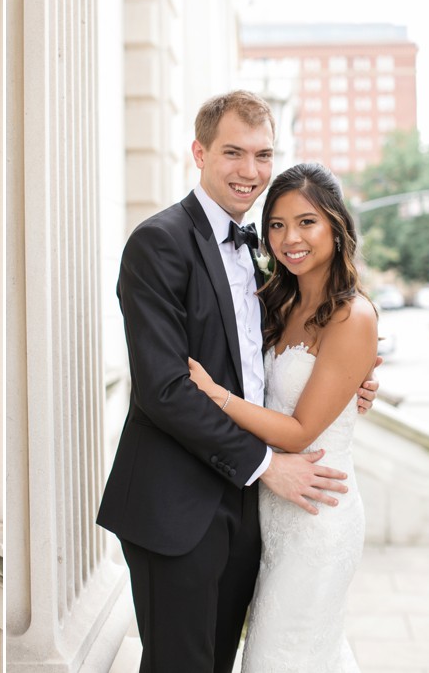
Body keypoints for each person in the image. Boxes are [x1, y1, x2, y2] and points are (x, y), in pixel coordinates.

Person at [95, 90, 378, 673]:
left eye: (263, 154)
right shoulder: (159, 242)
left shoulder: (261, 255)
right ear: (198, 153)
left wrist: (350, 382)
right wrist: (267, 465)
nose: (250, 171)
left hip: (249, 512)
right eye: (232, 153)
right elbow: (164, 389)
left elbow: (278, 358)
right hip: (176, 506)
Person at [187, 161, 377, 671]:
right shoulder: (279, 299)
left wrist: (215, 395)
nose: (289, 237)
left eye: (307, 222)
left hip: (319, 513)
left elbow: (298, 431)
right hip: (272, 512)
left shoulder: (352, 315)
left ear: (336, 228)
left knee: (279, 655)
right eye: (277, 224)